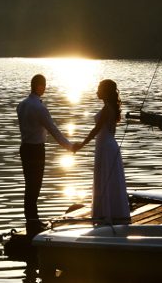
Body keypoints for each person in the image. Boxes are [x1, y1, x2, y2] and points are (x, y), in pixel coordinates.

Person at [17, 74, 74, 235]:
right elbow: (53, 130)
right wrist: (70, 147)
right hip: (36, 150)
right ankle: (33, 224)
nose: (45, 88)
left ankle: (32, 220)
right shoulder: (40, 108)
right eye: (44, 85)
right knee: (34, 187)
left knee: (30, 186)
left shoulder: (21, 105)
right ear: (39, 87)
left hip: (25, 148)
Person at [73, 79, 131, 224]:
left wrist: (81, 145)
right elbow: (112, 131)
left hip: (105, 147)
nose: (96, 91)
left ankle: (105, 213)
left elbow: (96, 129)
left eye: (99, 88)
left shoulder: (107, 109)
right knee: (109, 179)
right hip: (109, 145)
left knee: (105, 178)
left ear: (105, 91)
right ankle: (112, 212)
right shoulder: (111, 107)